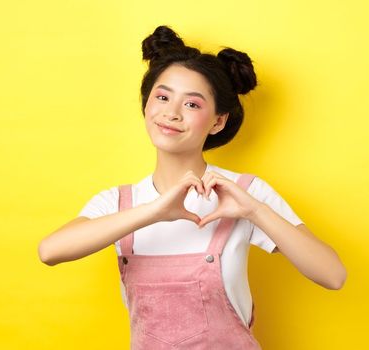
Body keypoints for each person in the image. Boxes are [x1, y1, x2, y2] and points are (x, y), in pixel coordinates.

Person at [37, 25, 346, 348]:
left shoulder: (243, 192)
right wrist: (154, 212)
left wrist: (255, 211)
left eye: (192, 105)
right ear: (146, 105)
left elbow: (332, 275)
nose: (171, 113)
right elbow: (50, 251)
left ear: (218, 121)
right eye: (162, 97)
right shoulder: (118, 203)